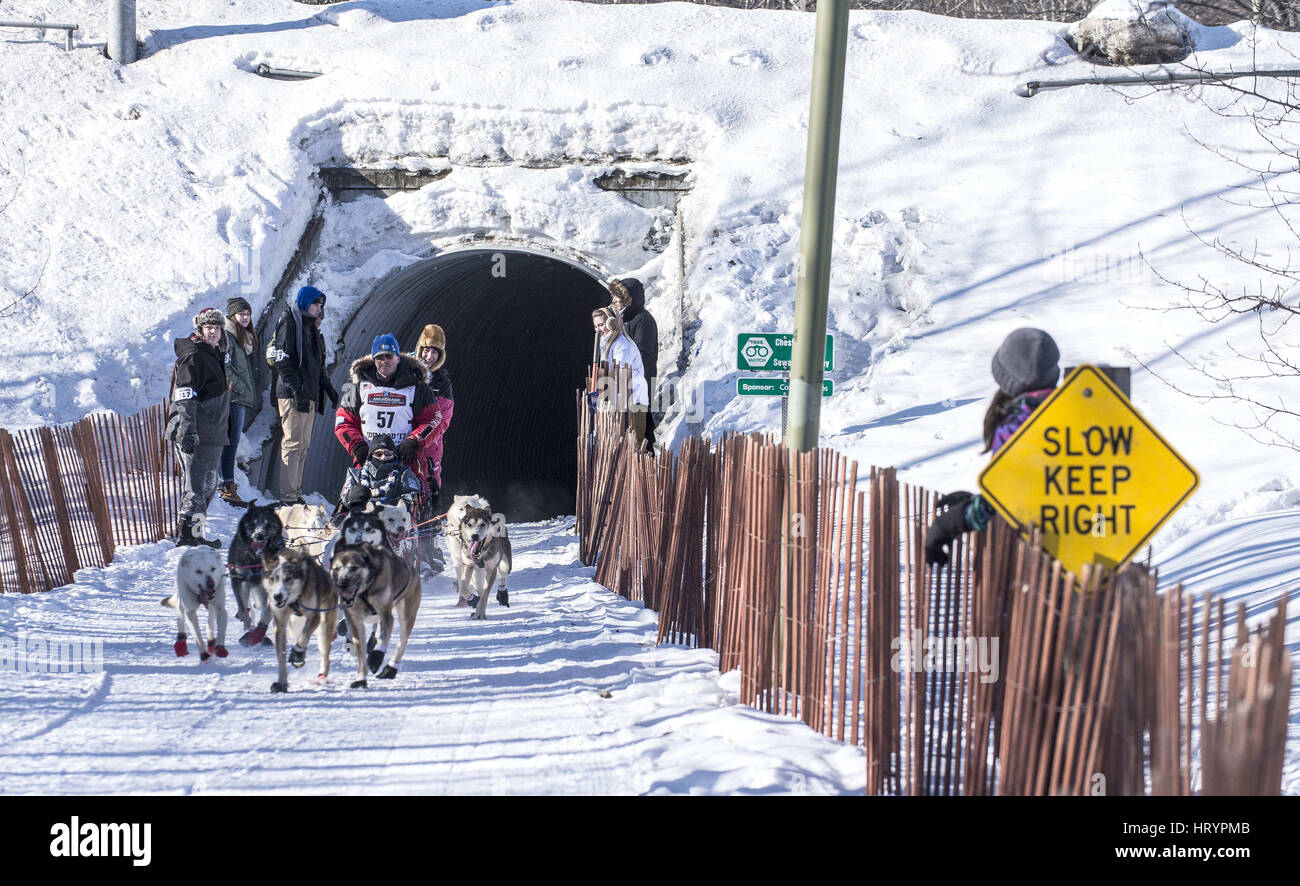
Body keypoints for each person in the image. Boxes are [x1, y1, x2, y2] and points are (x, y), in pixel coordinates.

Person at [924, 328, 1061, 566]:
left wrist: (950, 523)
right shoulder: (1077, 416)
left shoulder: (1021, 424)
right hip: (1086, 567)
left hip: (1036, 569)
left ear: (1006, 378)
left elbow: (1010, 502)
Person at [334, 333, 442, 513]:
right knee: (352, 505)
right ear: (373, 359)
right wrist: (357, 445)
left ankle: (419, 538)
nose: (384, 361)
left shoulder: (416, 387)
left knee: (409, 509)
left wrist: (414, 441)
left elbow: (434, 419)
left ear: (398, 358)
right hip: (369, 460)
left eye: (389, 356)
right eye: (379, 357)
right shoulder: (360, 386)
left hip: (406, 459)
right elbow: (343, 421)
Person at [165, 308, 231, 547]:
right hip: (198, 432)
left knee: (207, 486)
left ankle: (197, 534)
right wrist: (188, 430)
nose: (213, 332)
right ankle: (188, 536)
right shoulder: (194, 355)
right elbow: (185, 396)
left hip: (212, 432)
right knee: (196, 485)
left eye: (216, 328)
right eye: (208, 328)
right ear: (200, 330)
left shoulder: (212, 352)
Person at [269, 285, 338, 506]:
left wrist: (328, 387)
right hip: (292, 394)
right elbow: (282, 360)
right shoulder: (290, 322)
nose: (319, 309)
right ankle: (288, 497)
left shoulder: (310, 330)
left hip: (308, 394)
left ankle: (296, 493)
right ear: (305, 302)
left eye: (321, 305)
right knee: (292, 444)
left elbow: (316, 365)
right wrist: (296, 391)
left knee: (303, 446)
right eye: (316, 304)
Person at [218, 297, 258, 507]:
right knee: (229, 442)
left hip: (238, 397)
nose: (245, 317)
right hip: (232, 397)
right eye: (241, 314)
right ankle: (226, 487)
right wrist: (241, 387)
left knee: (231, 441)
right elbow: (225, 368)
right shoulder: (228, 336)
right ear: (232, 316)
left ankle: (228, 485)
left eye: (247, 314)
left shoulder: (242, 337)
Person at [609, 277, 659, 448]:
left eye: (618, 297)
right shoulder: (624, 320)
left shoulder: (643, 320)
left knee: (640, 432)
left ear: (629, 299)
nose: (614, 301)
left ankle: (646, 465)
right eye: (613, 297)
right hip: (625, 387)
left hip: (637, 388)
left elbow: (645, 358)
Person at [591, 307, 650, 445]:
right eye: (595, 326)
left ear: (612, 322)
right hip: (621, 400)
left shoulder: (622, 346)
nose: (598, 330)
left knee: (634, 445)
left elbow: (619, 377)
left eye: (601, 325)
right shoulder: (606, 342)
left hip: (634, 401)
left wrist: (605, 402)